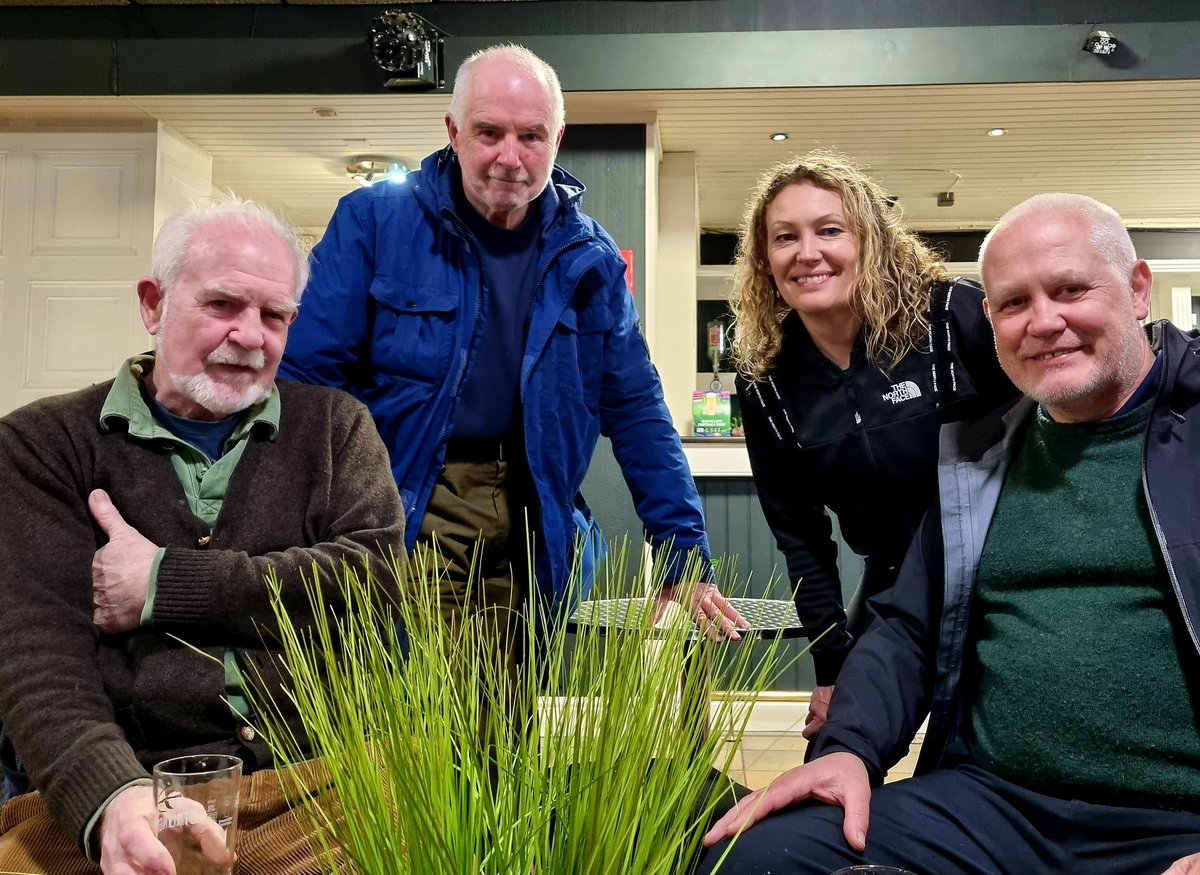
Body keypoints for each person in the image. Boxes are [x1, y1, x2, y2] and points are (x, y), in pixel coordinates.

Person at [698, 192, 1200, 875]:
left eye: (1070, 290)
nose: (1043, 322)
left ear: (1138, 289)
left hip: (1174, 824)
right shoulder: (980, 463)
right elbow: (908, 625)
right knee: (756, 855)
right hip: (994, 808)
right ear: (989, 321)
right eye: (1015, 303)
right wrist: (849, 747)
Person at [279, 43, 746, 659]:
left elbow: (636, 408)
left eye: (531, 136)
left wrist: (683, 555)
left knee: (508, 704)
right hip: (408, 500)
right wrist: (304, 520)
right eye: (489, 133)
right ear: (453, 132)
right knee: (425, 701)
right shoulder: (374, 222)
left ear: (557, 139)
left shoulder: (591, 259)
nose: (510, 157)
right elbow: (307, 385)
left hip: (536, 516)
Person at [0, 198, 406, 875]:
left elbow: (374, 577)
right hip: (132, 786)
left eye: (275, 315)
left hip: (319, 787)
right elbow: (38, 658)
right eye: (222, 304)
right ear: (153, 304)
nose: (250, 336)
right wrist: (112, 797)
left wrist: (164, 583)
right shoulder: (41, 444)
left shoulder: (336, 428)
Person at [731, 151, 1014, 737]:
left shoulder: (951, 317)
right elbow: (800, 536)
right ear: (764, 259)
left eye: (829, 230)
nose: (808, 252)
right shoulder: (766, 381)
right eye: (785, 237)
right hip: (894, 580)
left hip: (1001, 572)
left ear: (869, 239)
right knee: (837, 743)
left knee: (979, 745)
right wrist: (831, 666)